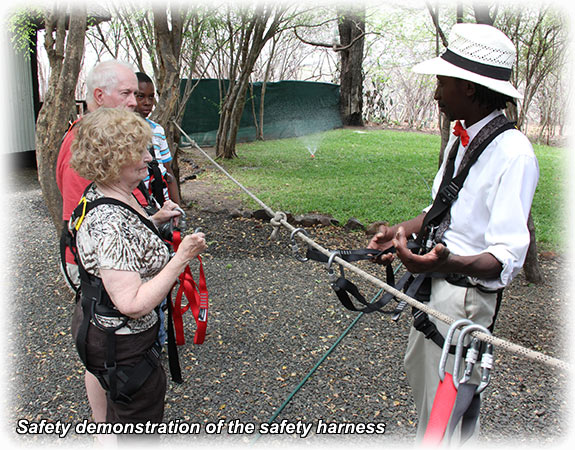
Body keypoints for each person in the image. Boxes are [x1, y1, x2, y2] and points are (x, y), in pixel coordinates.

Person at [367, 23, 539, 443]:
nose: (436, 93)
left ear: (471, 87)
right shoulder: (462, 139)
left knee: (450, 415)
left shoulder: (514, 154)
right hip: (435, 287)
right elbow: (440, 212)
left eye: (443, 82)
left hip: (463, 301)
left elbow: (504, 257)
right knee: (427, 397)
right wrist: (396, 234)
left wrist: (445, 262)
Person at [69, 107, 207, 425]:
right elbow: (132, 303)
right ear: (115, 161)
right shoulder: (110, 223)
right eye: (139, 151)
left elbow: (121, 242)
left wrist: (154, 220)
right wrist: (181, 257)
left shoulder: (105, 194)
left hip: (100, 327)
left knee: (115, 418)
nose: (149, 157)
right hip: (122, 346)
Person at [55, 60, 140, 432]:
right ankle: (109, 425)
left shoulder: (101, 136)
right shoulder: (86, 144)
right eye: (127, 93)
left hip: (107, 259)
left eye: (136, 93)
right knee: (108, 348)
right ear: (99, 96)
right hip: (97, 264)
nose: (135, 102)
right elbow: (95, 225)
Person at [134, 71, 181, 206]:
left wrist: (178, 208)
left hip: (162, 204)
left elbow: (168, 171)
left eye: (151, 97)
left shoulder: (157, 131)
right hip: (140, 206)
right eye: (141, 96)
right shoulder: (121, 133)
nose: (147, 103)